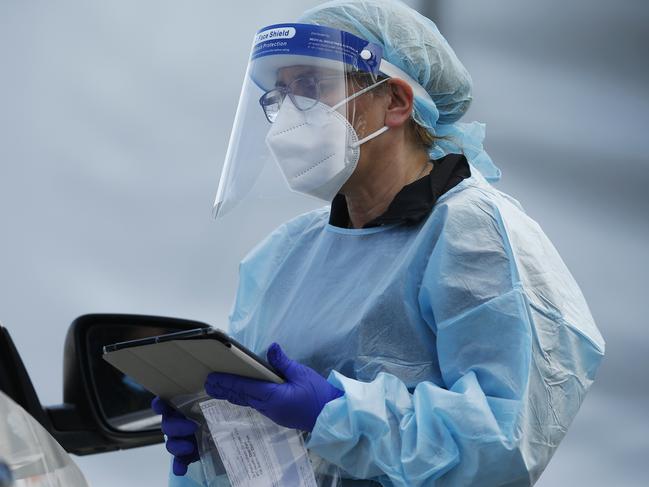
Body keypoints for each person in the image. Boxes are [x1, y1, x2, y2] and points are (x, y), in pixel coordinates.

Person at [154, 1, 605, 485]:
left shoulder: (477, 237)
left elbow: (503, 442)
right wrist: (212, 429)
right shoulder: (284, 257)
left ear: (395, 101)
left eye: (310, 86)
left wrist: (335, 414)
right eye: (280, 94)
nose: (288, 114)